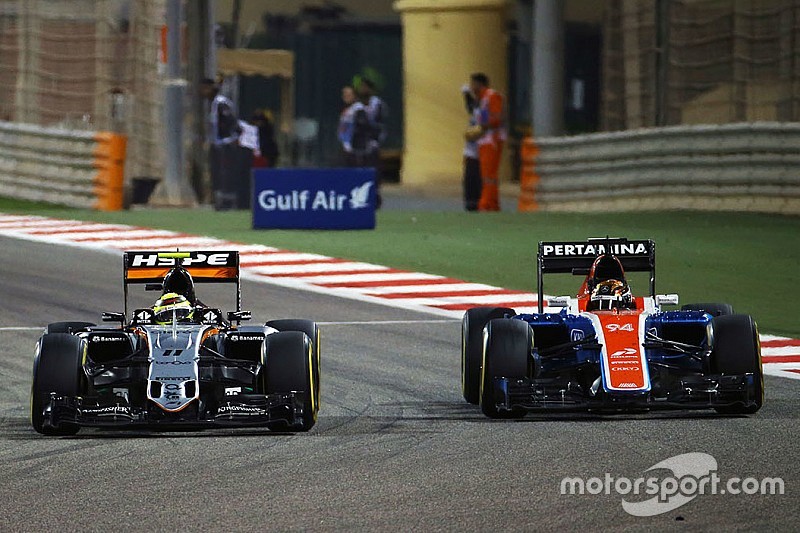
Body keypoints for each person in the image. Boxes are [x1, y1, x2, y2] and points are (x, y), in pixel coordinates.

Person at [200, 77, 241, 210]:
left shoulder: (221, 103)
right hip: (217, 144)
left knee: (225, 173)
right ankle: (219, 200)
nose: (203, 92)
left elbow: (231, 123)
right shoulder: (212, 103)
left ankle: (228, 202)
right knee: (216, 172)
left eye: (205, 88)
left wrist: (228, 139)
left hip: (225, 144)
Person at [469, 73, 506, 211]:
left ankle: (486, 204)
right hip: (485, 140)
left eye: (473, 84)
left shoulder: (491, 96)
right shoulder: (482, 99)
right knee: (487, 175)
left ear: (480, 84)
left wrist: (481, 127)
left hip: (492, 140)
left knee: (489, 175)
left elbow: (496, 119)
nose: (472, 87)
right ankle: (492, 204)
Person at [337, 85, 370, 167]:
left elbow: (362, 125)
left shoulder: (358, 108)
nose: (345, 97)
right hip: (345, 145)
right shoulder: (346, 109)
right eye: (344, 95)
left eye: (348, 95)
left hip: (355, 148)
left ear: (354, 95)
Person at [461, 84, 482, 211]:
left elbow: (485, 127)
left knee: (475, 177)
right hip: (471, 150)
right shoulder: (476, 110)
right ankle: (470, 203)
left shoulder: (483, 108)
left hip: (480, 150)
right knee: (469, 178)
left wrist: (475, 133)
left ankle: (476, 203)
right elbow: (470, 108)